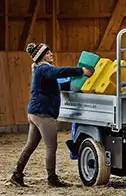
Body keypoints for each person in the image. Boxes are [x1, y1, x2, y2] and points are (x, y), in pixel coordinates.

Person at [9, 42, 93, 187]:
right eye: (48, 53)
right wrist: (80, 71)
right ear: (42, 56)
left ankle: (17, 175)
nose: (51, 54)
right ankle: (52, 179)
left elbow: (57, 84)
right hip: (43, 114)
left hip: (35, 112)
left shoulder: (40, 71)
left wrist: (75, 84)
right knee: (51, 147)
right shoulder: (43, 69)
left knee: (30, 146)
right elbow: (59, 73)